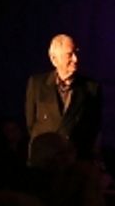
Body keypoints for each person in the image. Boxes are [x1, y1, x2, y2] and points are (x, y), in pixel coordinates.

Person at [25, 33, 103, 164]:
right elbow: (30, 122)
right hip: (43, 160)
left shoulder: (91, 88)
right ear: (54, 59)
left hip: (74, 162)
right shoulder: (37, 84)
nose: (76, 59)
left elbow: (94, 127)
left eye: (76, 53)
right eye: (69, 55)